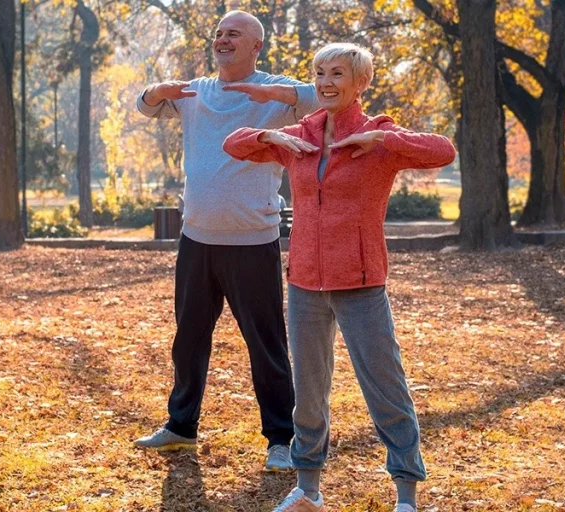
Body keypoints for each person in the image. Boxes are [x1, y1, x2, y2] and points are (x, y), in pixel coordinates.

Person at [223, 42, 456, 512]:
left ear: (360, 82)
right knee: (308, 393)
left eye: (337, 74)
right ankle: (308, 489)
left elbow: (443, 151)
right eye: (320, 74)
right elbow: (234, 144)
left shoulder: (378, 136)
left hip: (361, 283)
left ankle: (406, 493)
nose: (326, 83)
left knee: (385, 387)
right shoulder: (300, 136)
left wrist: (384, 142)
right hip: (305, 282)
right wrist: (272, 139)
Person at [132, 10, 320, 472]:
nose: (222, 39)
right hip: (196, 238)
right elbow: (144, 105)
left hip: (253, 242)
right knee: (189, 338)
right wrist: (157, 91)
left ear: (256, 46)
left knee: (266, 345)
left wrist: (271, 93)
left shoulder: (279, 90)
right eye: (218, 33)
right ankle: (180, 426)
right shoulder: (196, 91)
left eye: (233, 33)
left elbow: (326, 97)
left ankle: (282, 439)